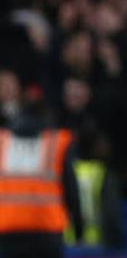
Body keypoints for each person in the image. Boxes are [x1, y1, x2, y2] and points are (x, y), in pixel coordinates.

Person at [0, 100, 80, 258]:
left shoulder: (3, 142)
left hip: (8, 230)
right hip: (47, 230)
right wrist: (78, 227)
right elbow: (71, 189)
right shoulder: (57, 143)